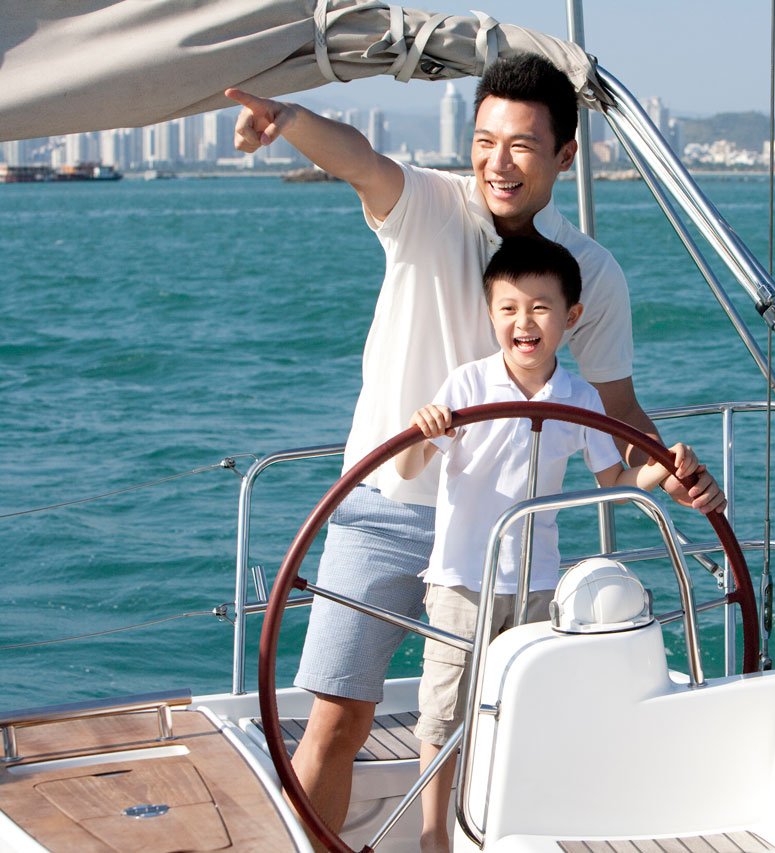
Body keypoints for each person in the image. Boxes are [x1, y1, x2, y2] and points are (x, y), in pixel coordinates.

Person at [225, 52, 726, 838]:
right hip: (385, 507)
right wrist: (288, 120)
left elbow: (618, 411)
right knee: (335, 719)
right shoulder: (428, 204)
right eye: (485, 139)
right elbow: (359, 159)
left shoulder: (588, 272)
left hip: (508, 537)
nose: (498, 161)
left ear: (565, 156)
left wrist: (673, 474)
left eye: (523, 145)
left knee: (495, 724)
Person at [397, 235, 710, 851]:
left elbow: (614, 479)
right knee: (444, 713)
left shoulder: (579, 398)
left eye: (541, 308)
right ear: (491, 316)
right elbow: (407, 468)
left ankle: (514, 828)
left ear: (571, 318)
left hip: (540, 584)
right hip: (462, 579)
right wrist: (421, 429)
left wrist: (659, 475)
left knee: (525, 707)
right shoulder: (465, 385)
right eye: (509, 308)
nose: (524, 321)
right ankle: (435, 837)